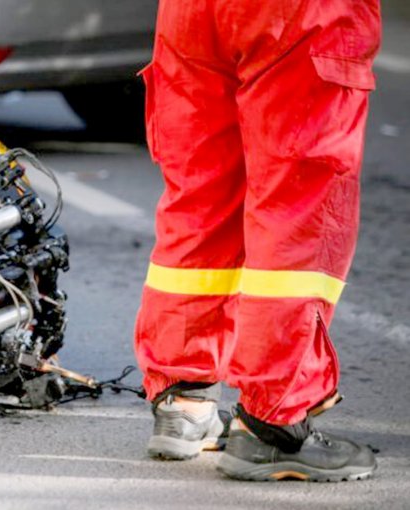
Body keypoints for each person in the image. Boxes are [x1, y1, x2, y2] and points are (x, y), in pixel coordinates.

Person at [133, 0, 381, 481]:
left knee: (202, 196)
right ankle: (274, 422)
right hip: (300, 15)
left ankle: (184, 400)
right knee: (297, 205)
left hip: (193, 13)